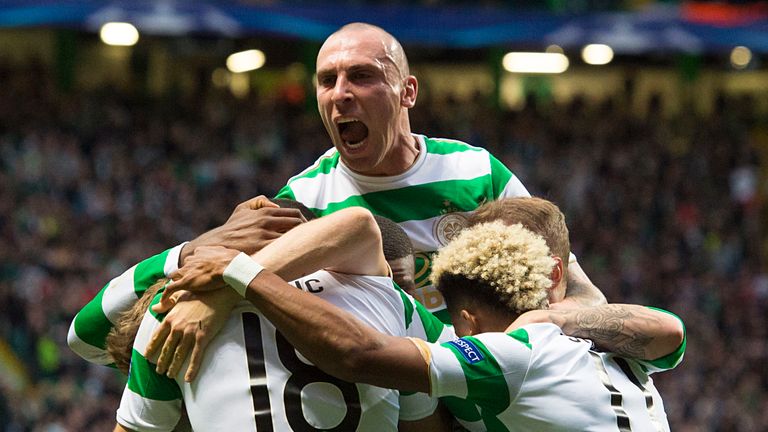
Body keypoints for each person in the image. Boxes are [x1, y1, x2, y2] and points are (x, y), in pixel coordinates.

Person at [166, 197, 686, 431]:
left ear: (465, 318)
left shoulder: (505, 355)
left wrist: (240, 273)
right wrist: (559, 315)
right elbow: (669, 331)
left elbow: (357, 352)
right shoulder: (616, 350)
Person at [273, 22, 604, 321]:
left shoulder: (476, 172)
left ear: (408, 91)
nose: (341, 94)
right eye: (327, 80)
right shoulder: (304, 198)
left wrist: (530, 329)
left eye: (362, 76)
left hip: (478, 380)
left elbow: (582, 294)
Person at [110, 204, 454, 431]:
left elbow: (80, 336)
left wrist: (208, 270)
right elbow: (358, 225)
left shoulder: (173, 317)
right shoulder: (389, 299)